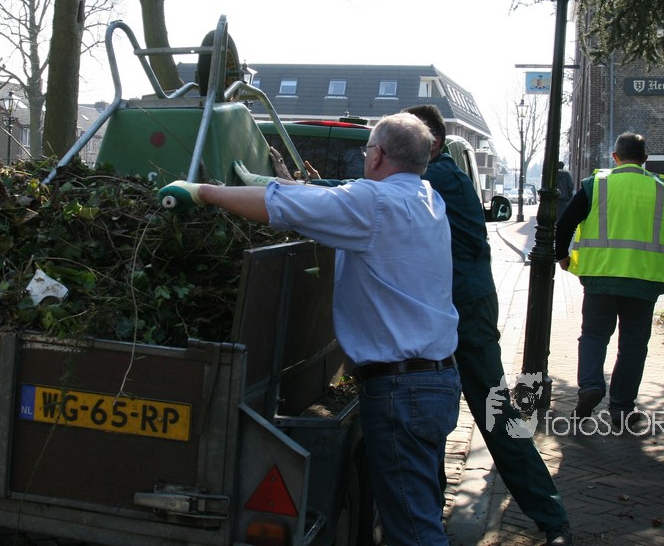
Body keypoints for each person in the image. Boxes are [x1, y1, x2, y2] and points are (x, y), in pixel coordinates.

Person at [159, 113, 462, 546]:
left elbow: (281, 206)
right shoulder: (428, 199)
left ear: (377, 156)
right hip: (437, 381)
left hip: (401, 392)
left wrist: (203, 192)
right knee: (419, 510)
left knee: (414, 533)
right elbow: (331, 199)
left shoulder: (375, 203)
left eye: (366, 151)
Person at [402, 105, 573, 546]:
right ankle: (431, 511)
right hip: (447, 310)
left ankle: (551, 517)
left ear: (432, 144)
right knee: (431, 408)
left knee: (495, 414)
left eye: (405, 143)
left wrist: (297, 187)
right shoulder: (438, 175)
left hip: (465, 315)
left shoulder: (437, 177)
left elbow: (369, 193)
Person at [556, 132, 664, 427]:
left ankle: (591, 386)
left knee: (593, 336)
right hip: (644, 282)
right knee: (633, 346)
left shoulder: (596, 184)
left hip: (600, 278)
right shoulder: (663, 190)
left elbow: (565, 222)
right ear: (645, 159)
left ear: (615, 157)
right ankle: (621, 407)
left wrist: (561, 256)